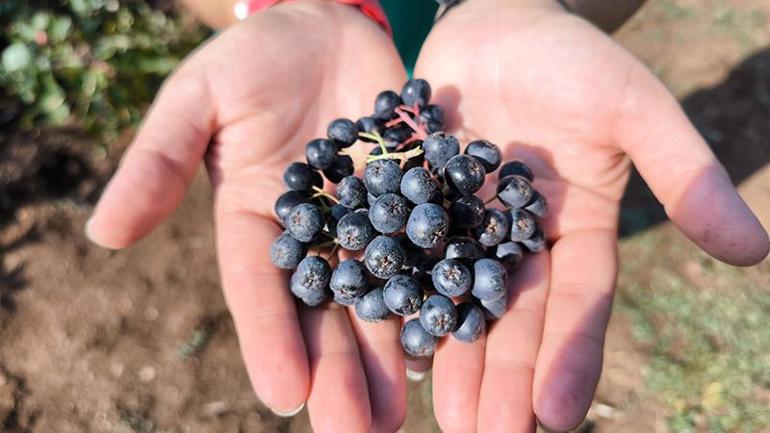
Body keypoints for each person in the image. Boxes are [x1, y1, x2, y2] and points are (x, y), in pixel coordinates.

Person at [85, 1, 770, 432]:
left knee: (498, 255)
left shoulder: (448, 187)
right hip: (342, 49)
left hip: (482, 60)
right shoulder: (375, 188)